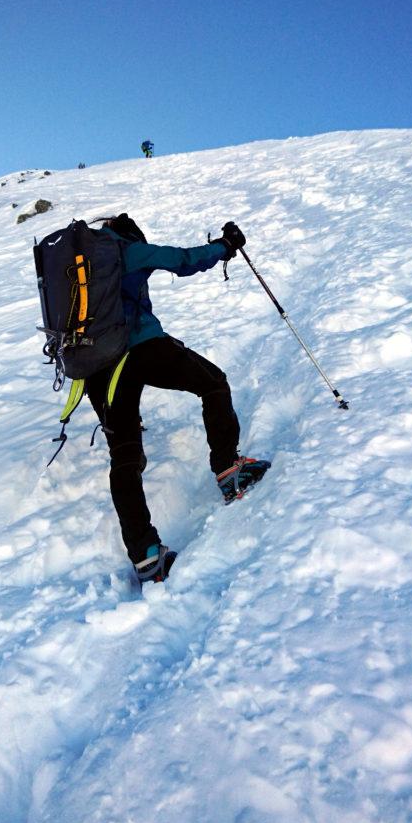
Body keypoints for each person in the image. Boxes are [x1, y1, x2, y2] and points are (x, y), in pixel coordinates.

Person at [85, 213, 270, 582]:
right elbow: (182, 260)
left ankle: (146, 556)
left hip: (96, 369)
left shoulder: (78, 271)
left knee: (124, 455)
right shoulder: (125, 250)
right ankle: (228, 469)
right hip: (142, 349)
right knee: (214, 383)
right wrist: (226, 247)